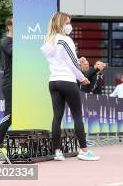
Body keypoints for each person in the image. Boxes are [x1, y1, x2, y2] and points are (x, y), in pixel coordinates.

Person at [40, 12, 100, 161]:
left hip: (53, 81)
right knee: (77, 115)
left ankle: (57, 152)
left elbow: (61, 61)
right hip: (67, 80)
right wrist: (82, 78)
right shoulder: (65, 40)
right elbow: (73, 62)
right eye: (67, 23)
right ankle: (84, 150)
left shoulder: (49, 41)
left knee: (57, 117)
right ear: (61, 24)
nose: (69, 26)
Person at [0, 18, 13, 150]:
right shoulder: (6, 41)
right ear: (9, 26)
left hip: (20, 82)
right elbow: (15, 53)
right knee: (9, 115)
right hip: (9, 82)